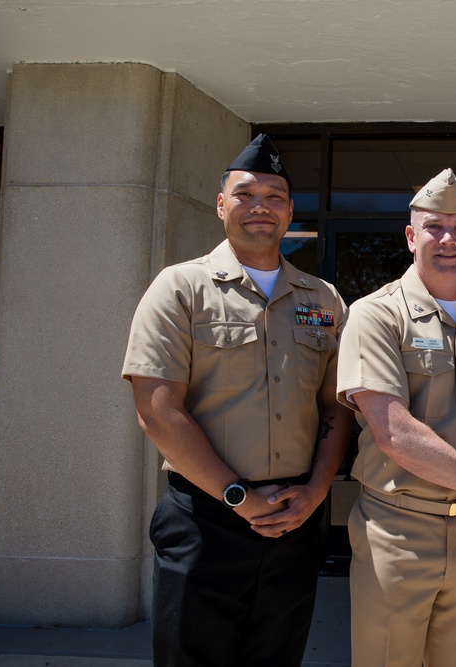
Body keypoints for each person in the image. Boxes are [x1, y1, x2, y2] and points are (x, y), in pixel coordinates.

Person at [121, 134, 353, 667]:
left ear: (290, 211)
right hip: (207, 521)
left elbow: (336, 406)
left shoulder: (323, 299)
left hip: (295, 521)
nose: (260, 207)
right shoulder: (180, 288)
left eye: (274, 197)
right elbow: (157, 410)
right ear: (221, 204)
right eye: (246, 194)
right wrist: (237, 497)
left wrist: (317, 491)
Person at [336, 168, 456, 667]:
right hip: (397, 531)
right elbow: (395, 434)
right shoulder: (376, 315)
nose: (449, 240)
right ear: (410, 237)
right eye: (434, 227)